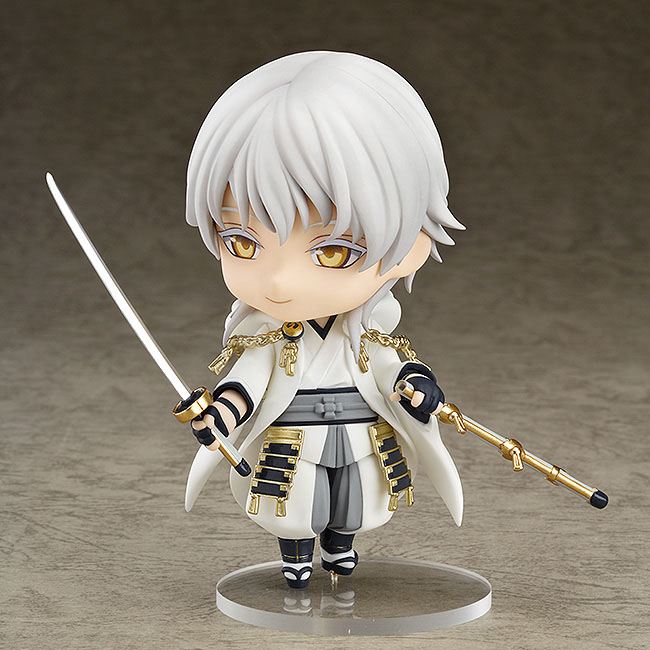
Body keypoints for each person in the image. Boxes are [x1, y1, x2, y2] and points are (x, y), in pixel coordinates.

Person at [184, 51, 464, 589]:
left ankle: (340, 546)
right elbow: (248, 382)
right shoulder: (269, 337)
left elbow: (391, 368)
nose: (279, 282)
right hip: (293, 437)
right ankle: (295, 553)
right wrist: (221, 413)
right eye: (242, 243)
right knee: (294, 503)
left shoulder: (368, 334)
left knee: (357, 500)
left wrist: (417, 385)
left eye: (332, 251)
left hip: (361, 433)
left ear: (411, 246)